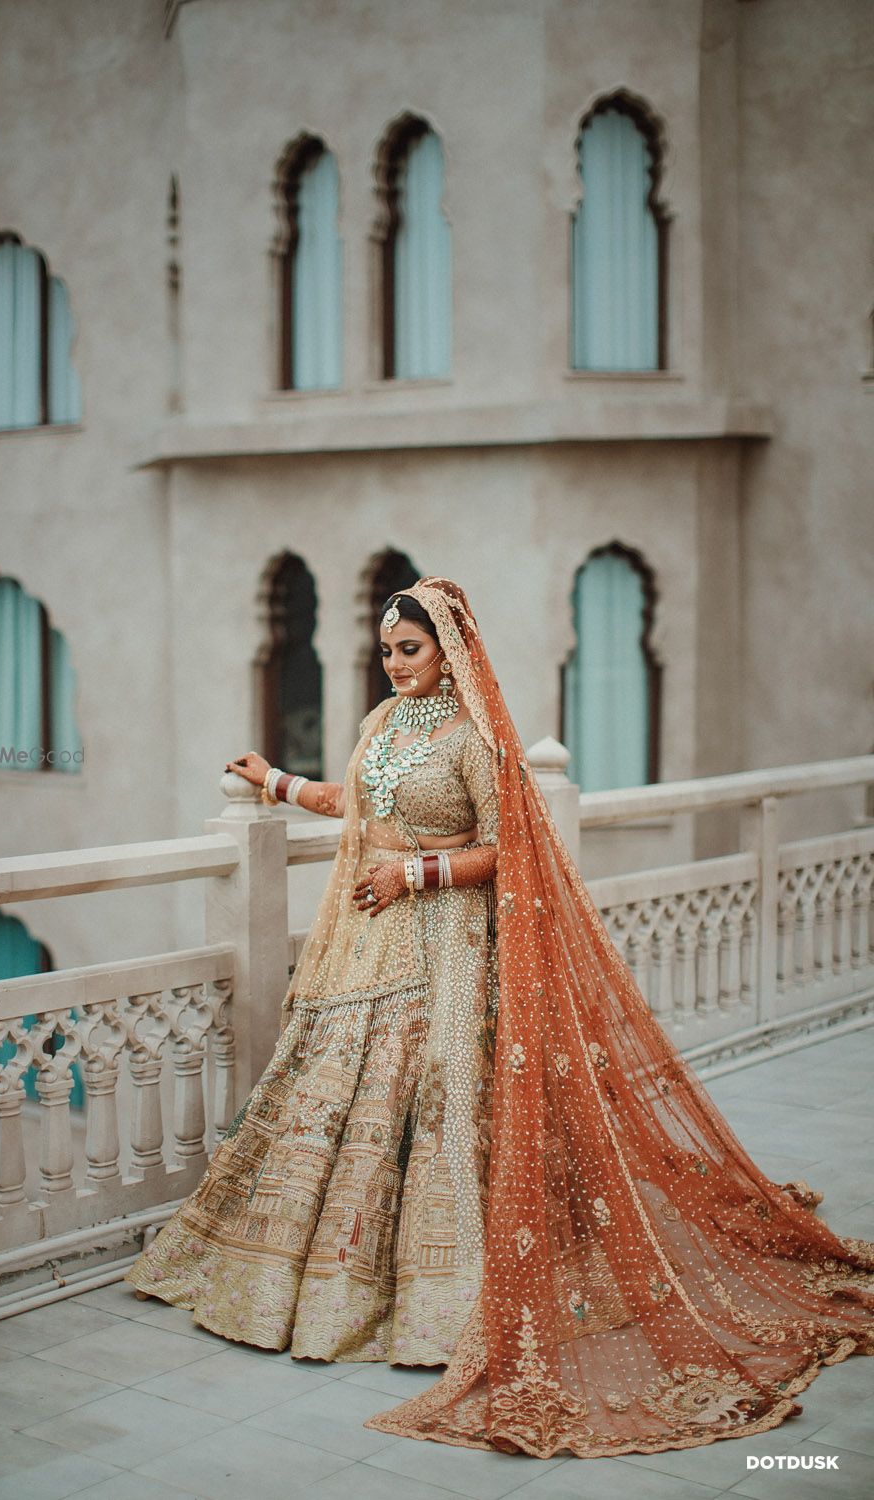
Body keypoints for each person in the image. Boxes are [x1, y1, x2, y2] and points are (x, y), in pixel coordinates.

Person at [128, 576, 874, 1460]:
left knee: (444, 1094)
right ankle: (310, 1281)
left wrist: (419, 876)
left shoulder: (474, 738)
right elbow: (358, 806)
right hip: (372, 948)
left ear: (448, 651)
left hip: (450, 945)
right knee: (337, 1092)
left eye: (410, 649)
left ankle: (444, 1297)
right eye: (387, 650)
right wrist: (277, 782)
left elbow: (510, 845)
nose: (395, 663)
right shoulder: (381, 724)